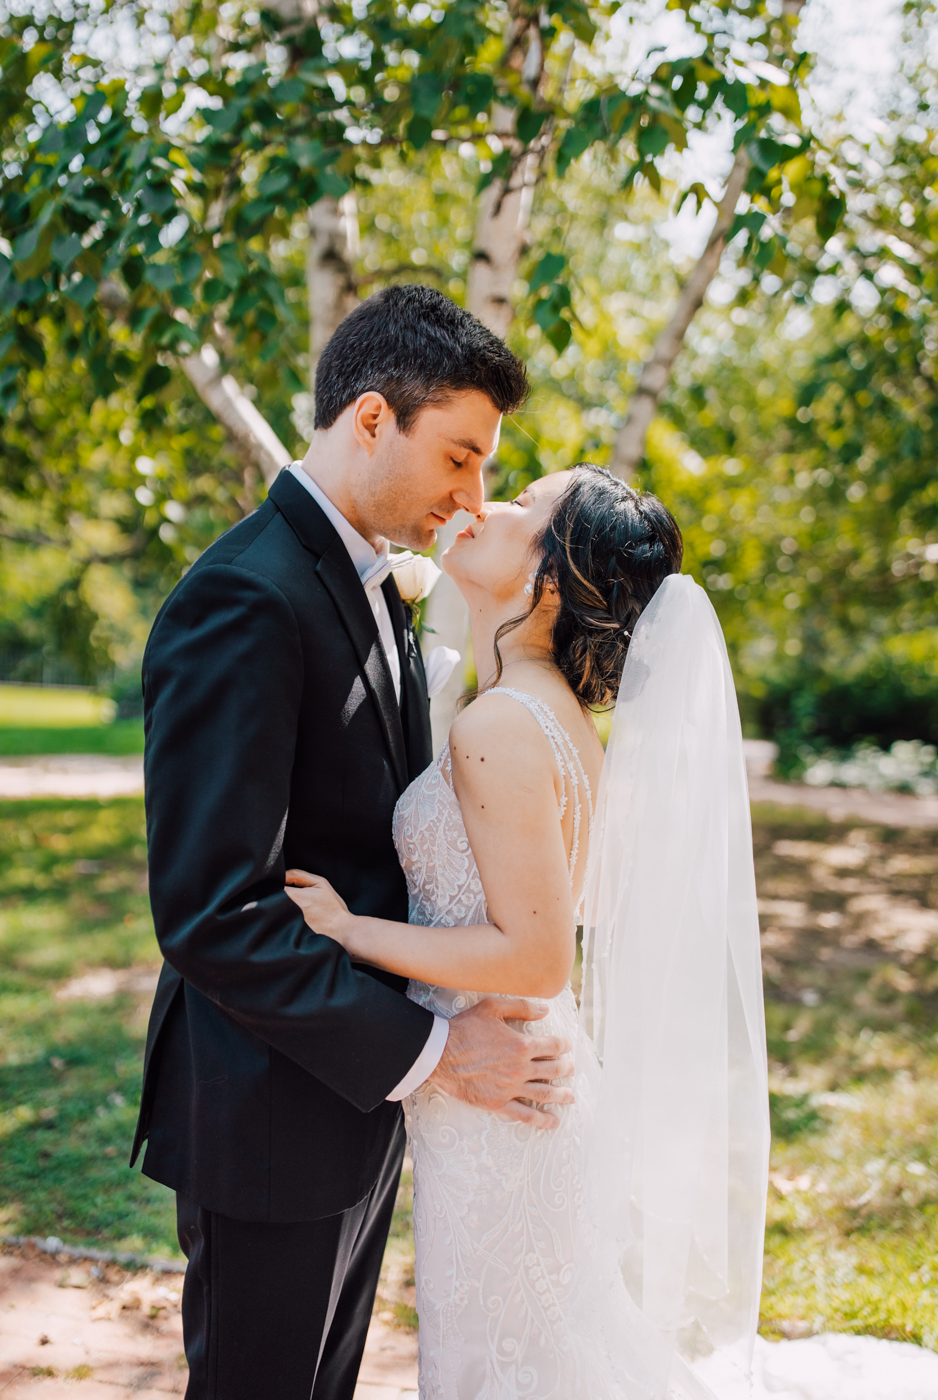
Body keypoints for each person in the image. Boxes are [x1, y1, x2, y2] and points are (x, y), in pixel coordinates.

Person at [130, 285, 578, 1400]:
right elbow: (212, 913)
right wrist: (434, 1053)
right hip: (271, 1106)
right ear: (372, 419)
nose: (471, 495)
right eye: (460, 458)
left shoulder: (370, 576)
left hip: (355, 1100)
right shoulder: (244, 596)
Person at [287, 465, 770, 1399]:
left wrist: (354, 931)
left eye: (521, 505)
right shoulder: (543, 715)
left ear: (550, 580)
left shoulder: (503, 727)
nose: (482, 504)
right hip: (512, 1095)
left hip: (507, 1114)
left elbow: (538, 955)